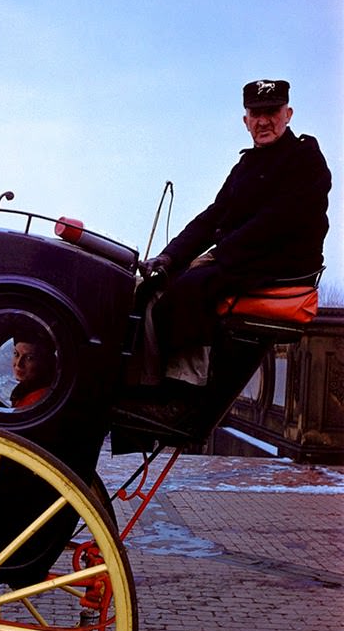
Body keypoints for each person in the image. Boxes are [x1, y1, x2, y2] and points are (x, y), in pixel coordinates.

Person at [132, 78, 331, 421]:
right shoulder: (246, 166)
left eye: (271, 112)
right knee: (150, 287)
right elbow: (213, 217)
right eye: (256, 113)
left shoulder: (305, 158)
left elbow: (276, 223)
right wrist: (170, 257)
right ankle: (143, 387)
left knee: (191, 289)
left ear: (288, 113)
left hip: (281, 265)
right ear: (245, 120)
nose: (263, 121)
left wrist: (213, 259)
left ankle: (183, 398)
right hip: (243, 258)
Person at [10, 327, 56, 408]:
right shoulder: (24, 390)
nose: (18, 364)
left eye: (29, 358)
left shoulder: (40, 399)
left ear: (45, 363)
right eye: (16, 354)